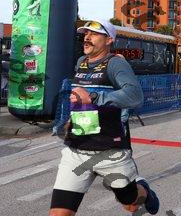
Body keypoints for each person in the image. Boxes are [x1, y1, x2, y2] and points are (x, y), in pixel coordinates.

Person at [50, 20, 159, 216]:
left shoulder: (115, 63)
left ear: (109, 40)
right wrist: (71, 119)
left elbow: (135, 96)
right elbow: (81, 98)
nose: (87, 37)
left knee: (131, 204)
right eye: (85, 34)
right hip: (77, 149)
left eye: (93, 34)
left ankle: (144, 190)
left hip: (110, 150)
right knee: (59, 214)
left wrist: (95, 97)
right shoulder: (81, 62)